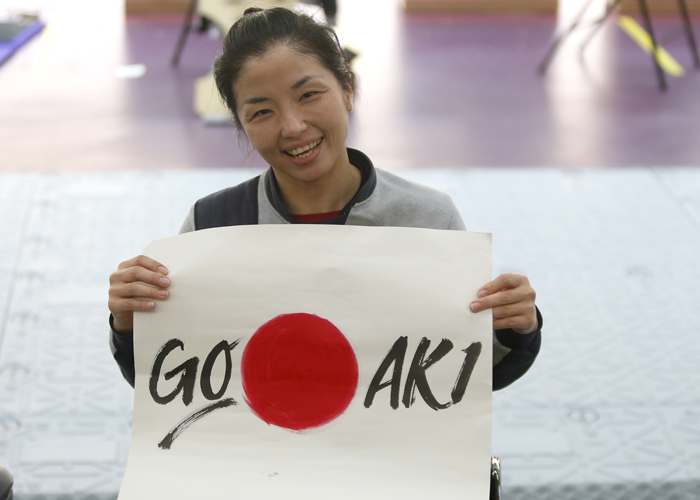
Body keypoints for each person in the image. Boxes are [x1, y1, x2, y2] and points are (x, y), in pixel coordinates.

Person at [108, 7, 541, 392]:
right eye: (261, 112)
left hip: (384, 472)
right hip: (264, 474)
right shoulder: (214, 224)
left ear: (347, 89)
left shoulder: (426, 218)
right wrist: (130, 323)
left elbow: (467, 382)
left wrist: (516, 327)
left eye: (309, 95)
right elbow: (169, 383)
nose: (293, 126)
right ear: (240, 124)